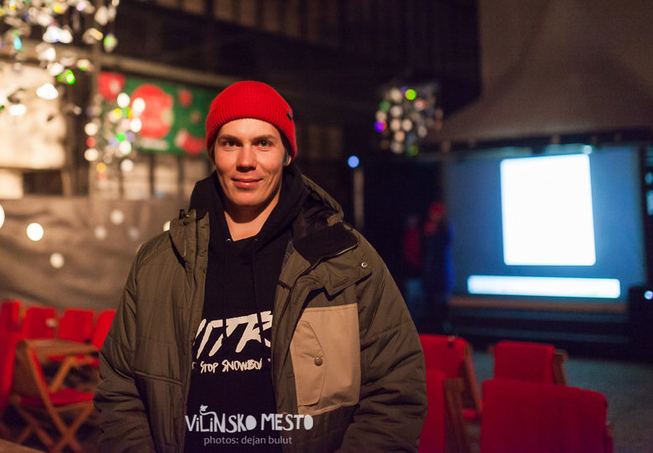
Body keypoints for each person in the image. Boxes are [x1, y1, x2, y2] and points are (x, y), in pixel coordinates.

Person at [94, 81, 426, 452]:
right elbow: (119, 386)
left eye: (263, 143)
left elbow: (396, 387)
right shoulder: (159, 262)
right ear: (213, 152)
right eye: (230, 143)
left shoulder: (344, 258)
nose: (246, 160)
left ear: (287, 154)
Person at [421, 202, 454, 334]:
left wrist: (434, 234)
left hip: (441, 277)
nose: (433, 216)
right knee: (431, 310)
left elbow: (442, 247)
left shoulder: (445, 230)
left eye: (436, 213)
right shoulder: (427, 230)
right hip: (429, 277)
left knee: (442, 309)